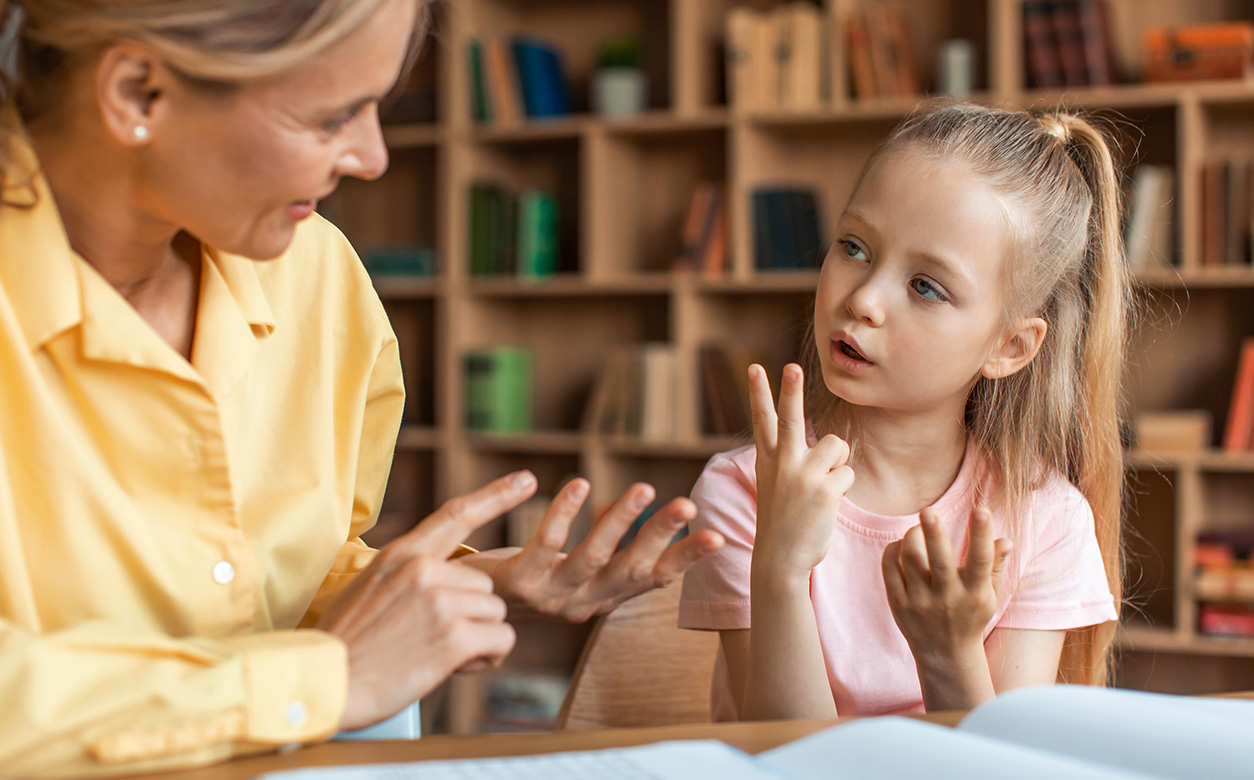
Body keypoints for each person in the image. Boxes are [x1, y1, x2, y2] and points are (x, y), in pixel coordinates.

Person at [0, 1, 724, 775]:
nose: (374, 156)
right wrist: (322, 680)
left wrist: (460, 586)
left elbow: (272, 578)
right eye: (332, 115)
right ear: (139, 92)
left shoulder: (316, 273)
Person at [679, 102, 1127, 721]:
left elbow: (1001, 770)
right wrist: (780, 569)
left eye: (926, 286)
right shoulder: (746, 490)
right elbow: (789, 761)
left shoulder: (1044, 519)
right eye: (854, 247)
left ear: (1009, 346)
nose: (862, 299)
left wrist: (949, 654)